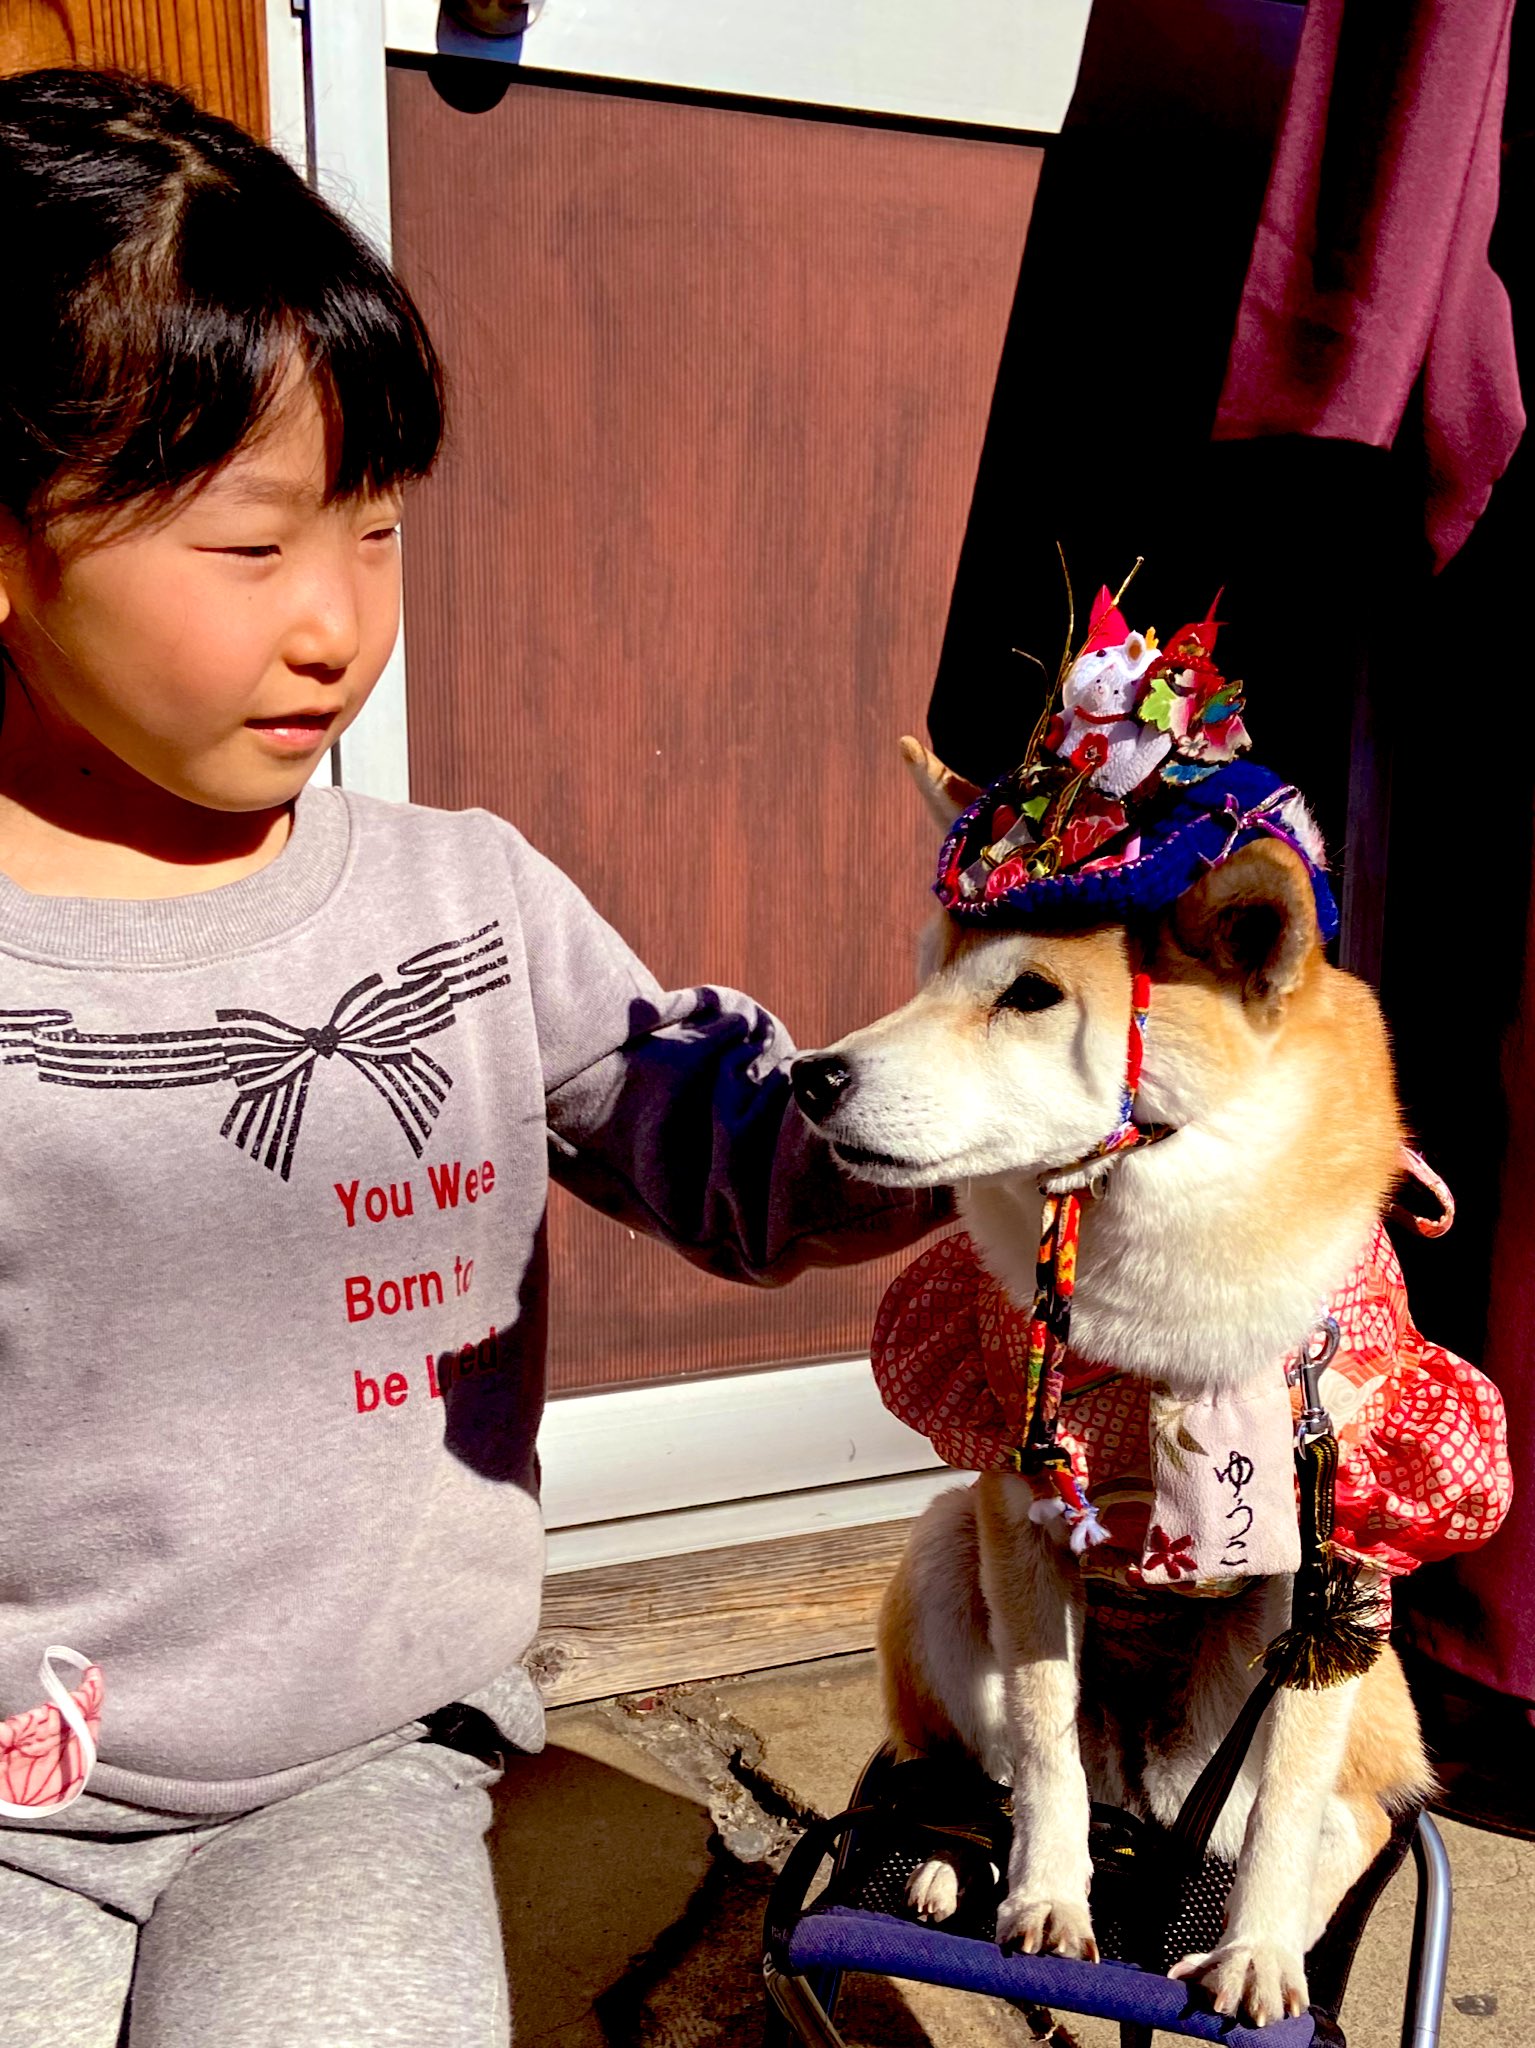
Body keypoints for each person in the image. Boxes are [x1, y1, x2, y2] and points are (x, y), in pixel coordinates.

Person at [0, 68, 940, 2047]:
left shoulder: (466, 906)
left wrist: (973, 1098)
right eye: (251, 548)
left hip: (358, 1768)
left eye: (376, 529)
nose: (340, 621)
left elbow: (743, 1156)